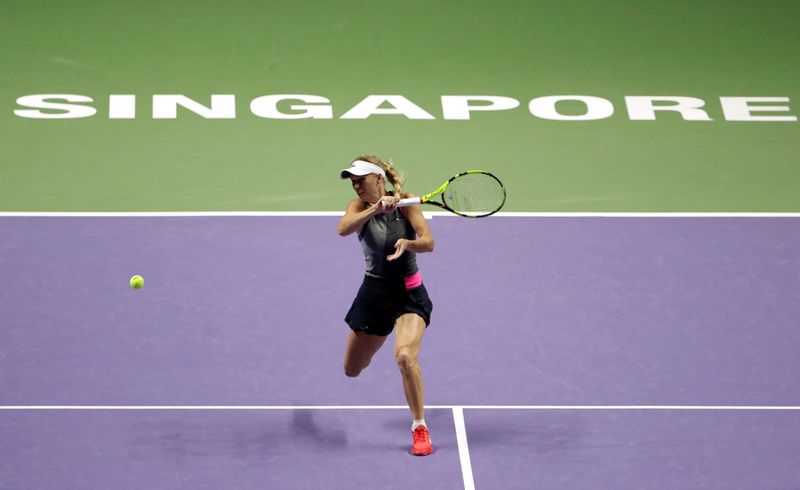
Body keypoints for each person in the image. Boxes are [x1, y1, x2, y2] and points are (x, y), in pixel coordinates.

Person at [337, 155, 435, 456]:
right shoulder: (357, 208)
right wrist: (374, 209)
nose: (356, 185)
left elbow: (428, 241)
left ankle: (420, 427)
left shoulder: (406, 202)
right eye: (352, 180)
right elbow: (343, 228)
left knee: (405, 356)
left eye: (361, 179)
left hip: (409, 292)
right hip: (374, 294)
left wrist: (410, 244)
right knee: (352, 369)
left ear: (378, 179)